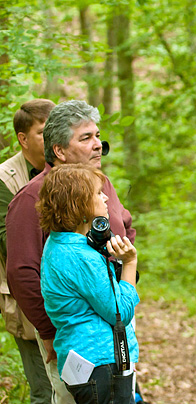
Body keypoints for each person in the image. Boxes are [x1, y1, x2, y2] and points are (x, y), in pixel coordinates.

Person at [6, 100, 135, 404]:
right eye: (85, 138)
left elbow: (125, 227)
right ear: (60, 151)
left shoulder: (101, 184)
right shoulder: (32, 198)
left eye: (97, 136)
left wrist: (128, 276)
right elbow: (22, 273)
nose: (97, 146)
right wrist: (50, 331)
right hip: (73, 334)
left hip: (115, 317)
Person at [37, 163, 139, 403]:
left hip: (86, 362)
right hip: (101, 364)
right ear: (78, 203)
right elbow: (120, 313)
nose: (105, 198)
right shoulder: (80, 257)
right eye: (97, 193)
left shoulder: (59, 244)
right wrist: (130, 262)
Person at [0, 99, 55, 403]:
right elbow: (12, 244)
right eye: (43, 133)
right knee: (44, 392)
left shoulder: (69, 168)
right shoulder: (4, 179)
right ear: (22, 138)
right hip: (28, 301)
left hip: (74, 299)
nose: (52, 140)